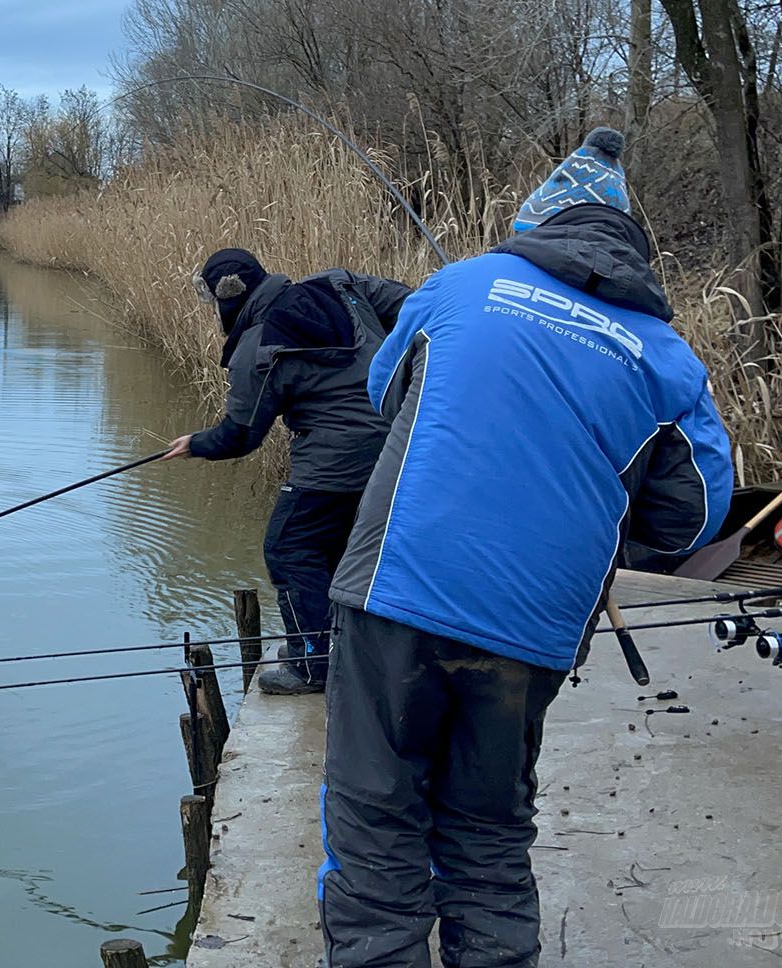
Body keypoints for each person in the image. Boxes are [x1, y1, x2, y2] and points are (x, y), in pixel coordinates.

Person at [316, 128, 734, 968]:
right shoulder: (668, 359)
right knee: (487, 832)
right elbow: (693, 520)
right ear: (631, 250)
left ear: (536, 223)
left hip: (398, 590)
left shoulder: (461, 284)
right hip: (532, 630)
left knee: (374, 817)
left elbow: (382, 392)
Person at [163, 248, 412, 695]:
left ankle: (311, 665)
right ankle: (328, 644)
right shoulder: (341, 283)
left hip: (335, 460)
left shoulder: (259, 344)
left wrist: (194, 444)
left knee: (289, 546)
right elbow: (416, 308)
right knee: (336, 548)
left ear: (225, 300)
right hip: (400, 441)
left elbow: (241, 435)